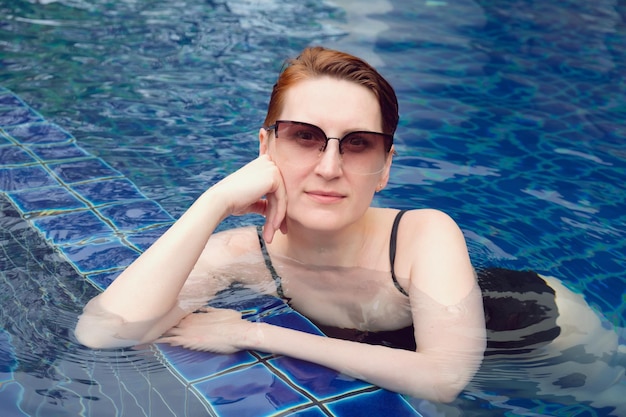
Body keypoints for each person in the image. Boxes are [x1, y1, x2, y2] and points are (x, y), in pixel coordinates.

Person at [74, 46, 625, 410]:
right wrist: (213, 201)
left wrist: (252, 333)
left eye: (358, 143)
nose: (330, 166)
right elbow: (102, 334)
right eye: (304, 136)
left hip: (541, 333)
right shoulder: (240, 253)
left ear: (385, 167)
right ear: (265, 147)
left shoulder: (424, 234)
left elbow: (444, 376)